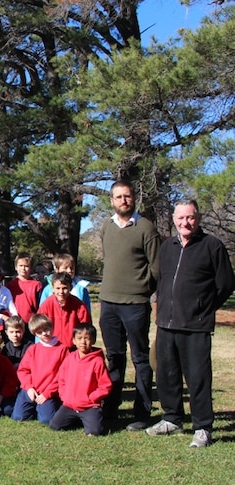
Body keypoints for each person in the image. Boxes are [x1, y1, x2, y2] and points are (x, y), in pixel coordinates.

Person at [145, 199, 235, 448]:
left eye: (191, 217)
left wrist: (205, 308)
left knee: (198, 378)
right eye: (181, 218)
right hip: (166, 323)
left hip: (196, 325)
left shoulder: (212, 246)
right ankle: (172, 418)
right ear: (174, 219)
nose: (186, 222)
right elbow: (161, 282)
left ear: (199, 218)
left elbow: (226, 284)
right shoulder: (167, 247)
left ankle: (202, 427)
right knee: (166, 375)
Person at [99, 180, 160, 431]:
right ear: (112, 201)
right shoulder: (106, 227)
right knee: (114, 357)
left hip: (135, 303)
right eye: (118, 197)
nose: (123, 200)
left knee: (140, 358)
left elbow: (156, 267)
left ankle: (142, 412)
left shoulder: (146, 228)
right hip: (108, 303)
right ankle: (111, 408)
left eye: (127, 196)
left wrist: (144, 290)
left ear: (134, 199)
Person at [49, 324, 112, 436]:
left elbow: (105, 385)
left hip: (89, 406)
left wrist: (92, 398)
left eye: (87, 338)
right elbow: (61, 379)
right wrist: (64, 395)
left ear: (92, 340)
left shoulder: (97, 361)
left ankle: (91, 418)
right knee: (55, 425)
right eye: (79, 338)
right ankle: (78, 419)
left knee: (95, 431)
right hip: (69, 405)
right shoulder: (69, 358)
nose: (83, 342)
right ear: (73, 340)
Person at [11, 314, 69, 425]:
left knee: (46, 420)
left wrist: (48, 393)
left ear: (52, 327)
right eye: (39, 332)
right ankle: (35, 407)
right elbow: (23, 370)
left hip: (49, 392)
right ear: (35, 334)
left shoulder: (62, 349)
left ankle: (46, 407)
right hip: (31, 389)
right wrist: (29, 387)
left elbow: (63, 376)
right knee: (18, 417)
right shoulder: (33, 349)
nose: (44, 334)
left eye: (46, 329)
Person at [37, 272, 91, 347]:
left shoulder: (79, 306)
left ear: (70, 288)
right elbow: (38, 325)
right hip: (52, 347)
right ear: (52, 288)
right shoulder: (47, 305)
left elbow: (86, 328)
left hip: (72, 349)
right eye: (58, 288)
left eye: (64, 288)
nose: (61, 292)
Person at [5, 252, 42, 324]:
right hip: (15, 323)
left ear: (31, 268)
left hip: (32, 322)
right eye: (20, 265)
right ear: (16, 267)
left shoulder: (36, 285)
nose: (23, 268)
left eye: (26, 266)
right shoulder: (10, 285)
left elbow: (40, 305)